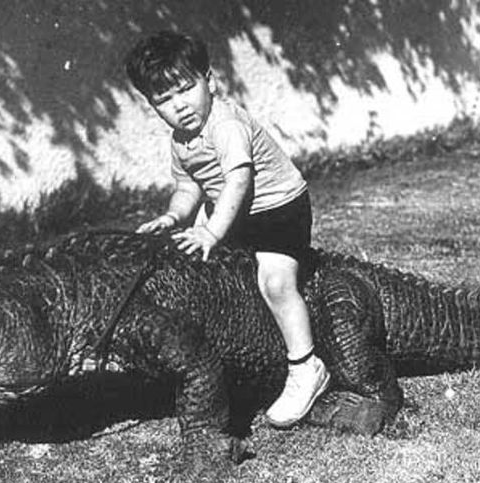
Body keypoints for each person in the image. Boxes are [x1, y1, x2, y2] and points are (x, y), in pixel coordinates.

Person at [125, 31, 329, 427]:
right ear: (152, 106)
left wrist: (212, 234)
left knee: (274, 283)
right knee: (196, 266)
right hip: (231, 209)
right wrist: (172, 217)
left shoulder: (226, 125)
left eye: (186, 89)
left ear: (211, 81)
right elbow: (188, 186)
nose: (179, 106)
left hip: (277, 209)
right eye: (164, 99)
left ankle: (307, 367)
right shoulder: (181, 140)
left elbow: (239, 182)